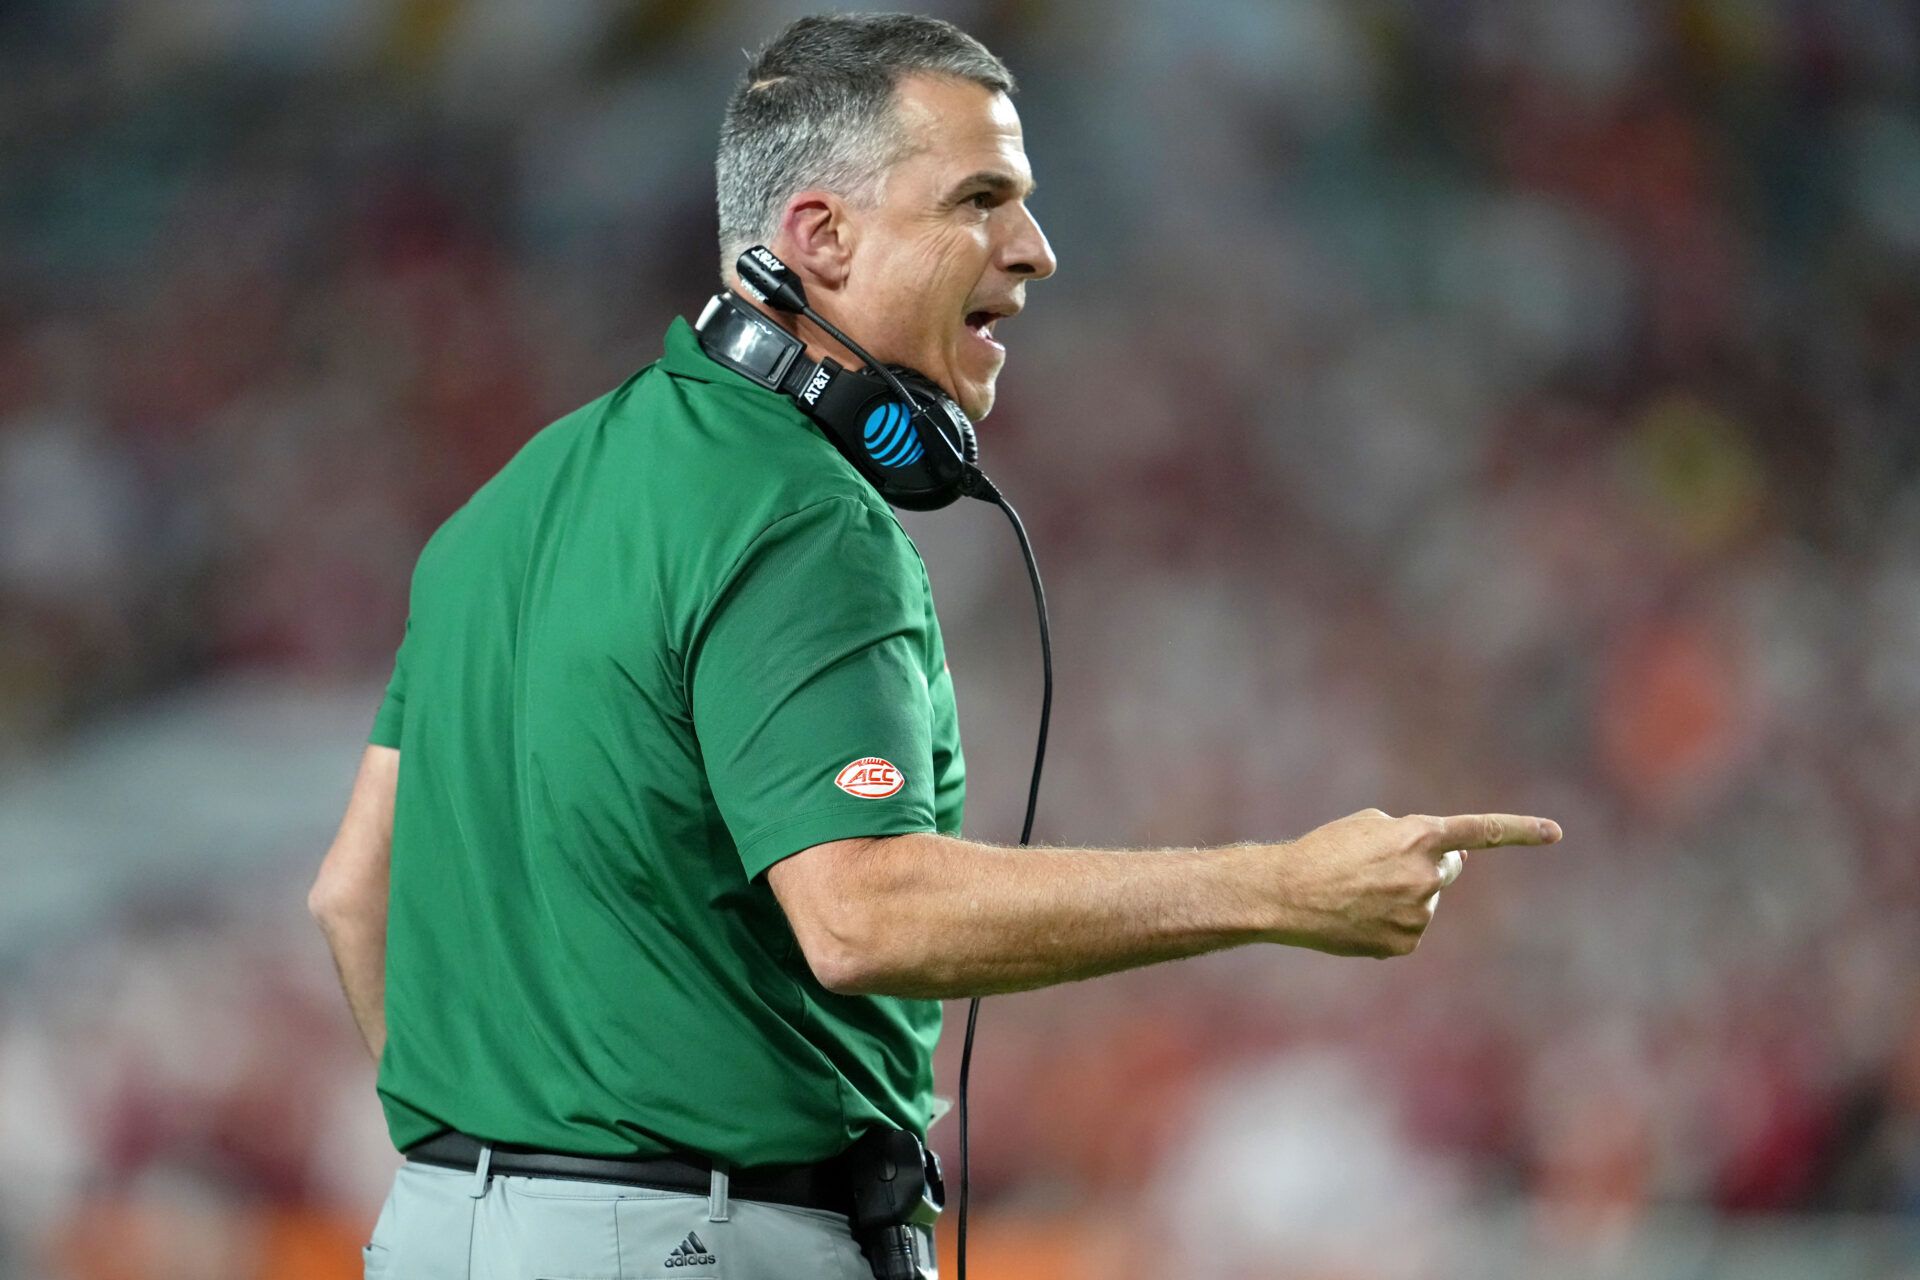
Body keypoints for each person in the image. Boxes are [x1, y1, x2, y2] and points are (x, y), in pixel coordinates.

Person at [306, 12, 1563, 1280]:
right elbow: (859, 913)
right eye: (980, 198)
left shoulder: (502, 506)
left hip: (431, 1232)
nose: (1037, 251)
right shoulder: (800, 508)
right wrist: (1280, 889)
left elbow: (354, 892)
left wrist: (497, 1158)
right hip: (697, 1237)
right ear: (819, 237)